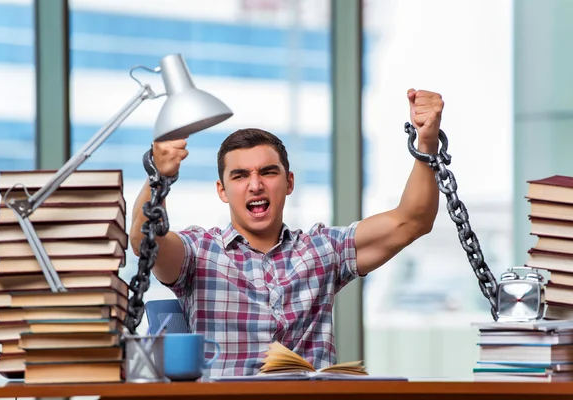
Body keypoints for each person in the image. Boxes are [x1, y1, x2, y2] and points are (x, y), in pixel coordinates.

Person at [130, 88, 444, 376]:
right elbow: (145, 242)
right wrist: (159, 176)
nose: (255, 185)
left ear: (289, 182)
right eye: (240, 176)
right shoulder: (200, 252)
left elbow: (412, 221)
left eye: (268, 172)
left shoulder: (322, 250)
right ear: (222, 190)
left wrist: (426, 143)